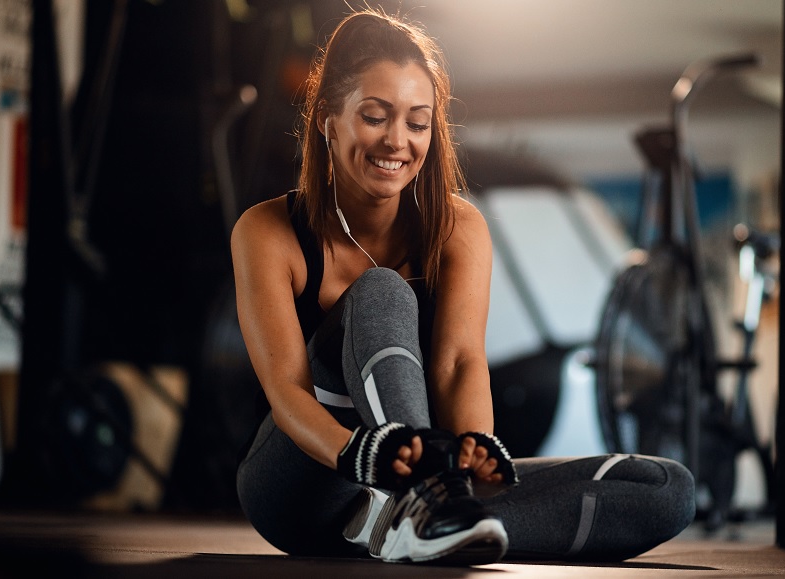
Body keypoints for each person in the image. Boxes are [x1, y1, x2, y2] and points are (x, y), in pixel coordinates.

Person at [232, 8, 695, 565]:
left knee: (661, 489)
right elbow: (287, 394)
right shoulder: (268, 231)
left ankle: (417, 524)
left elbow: (459, 363)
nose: (397, 141)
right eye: (376, 116)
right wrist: (368, 457)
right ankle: (423, 507)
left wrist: (475, 444)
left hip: (416, 483)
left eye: (417, 122)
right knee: (381, 292)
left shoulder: (458, 227)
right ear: (329, 119)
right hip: (302, 486)